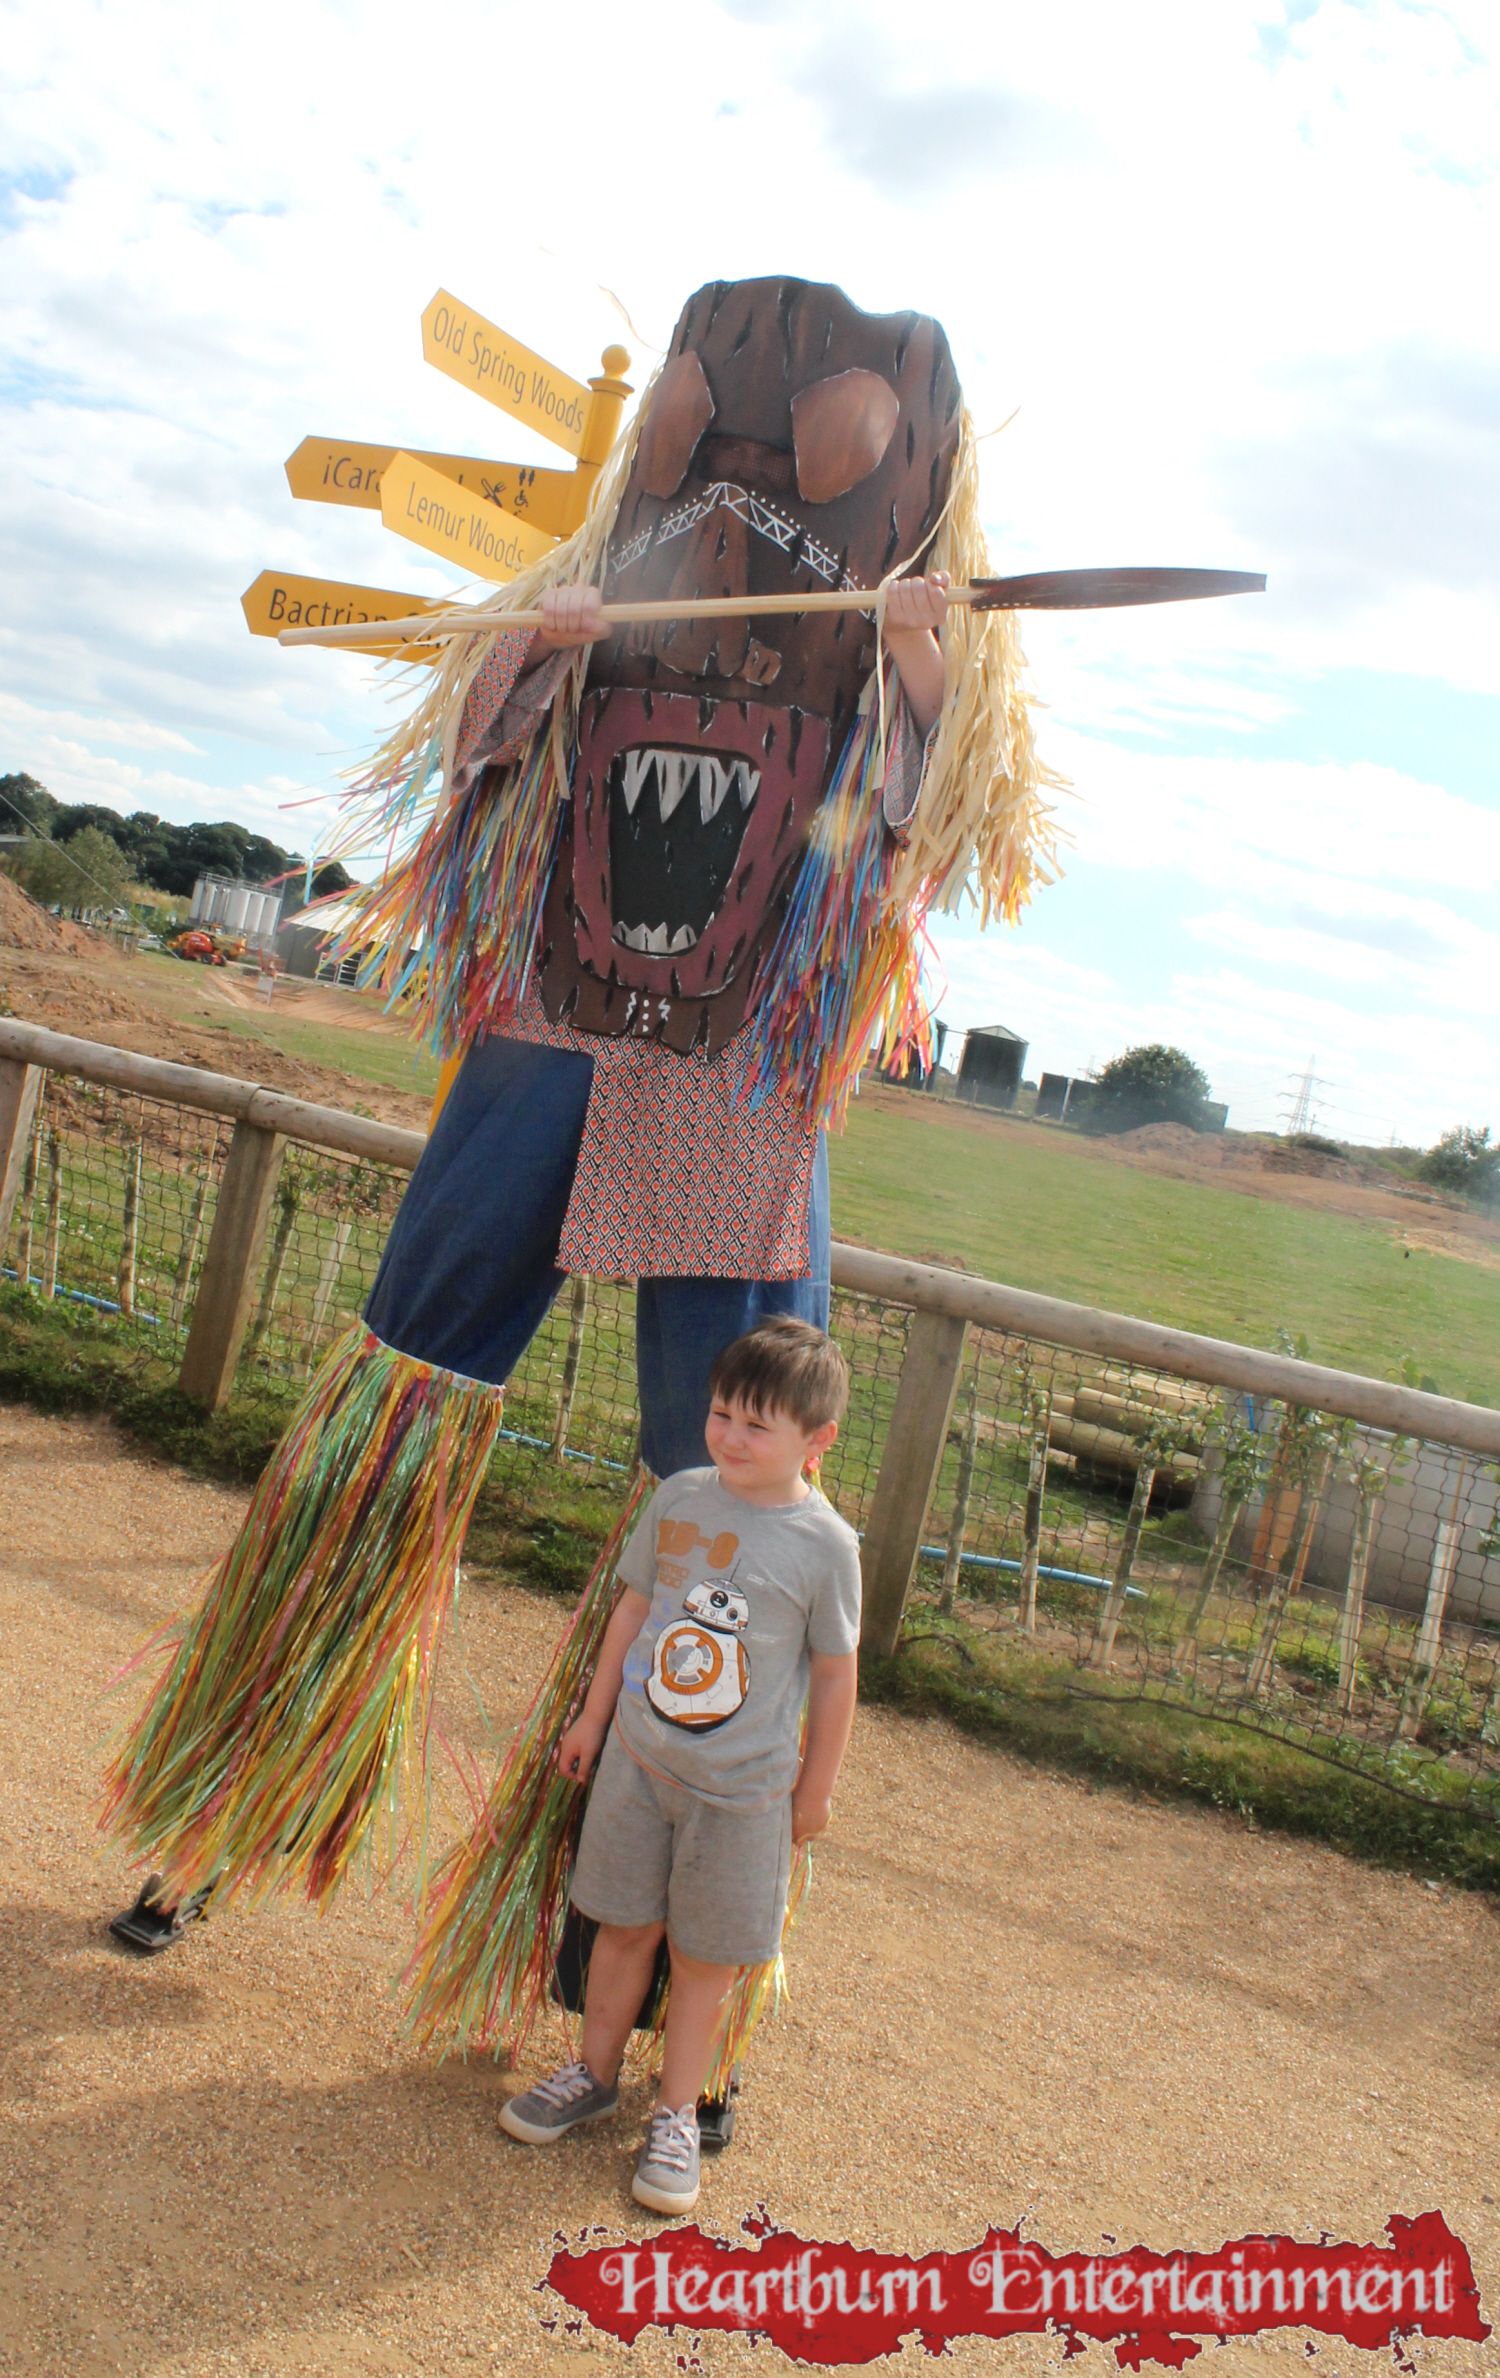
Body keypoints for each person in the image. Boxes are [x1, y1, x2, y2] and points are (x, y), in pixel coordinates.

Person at [496, 1316, 860, 2217]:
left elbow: (834, 1674)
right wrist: (593, 1719)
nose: (730, 1437)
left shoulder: (827, 1547)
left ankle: (675, 2114)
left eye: (757, 1425)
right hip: (637, 1764)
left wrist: (814, 1791)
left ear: (817, 1442)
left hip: (741, 1797)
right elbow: (632, 1610)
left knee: (704, 1961)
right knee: (621, 1928)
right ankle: (592, 2074)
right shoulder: (680, 1497)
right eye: (722, 1413)